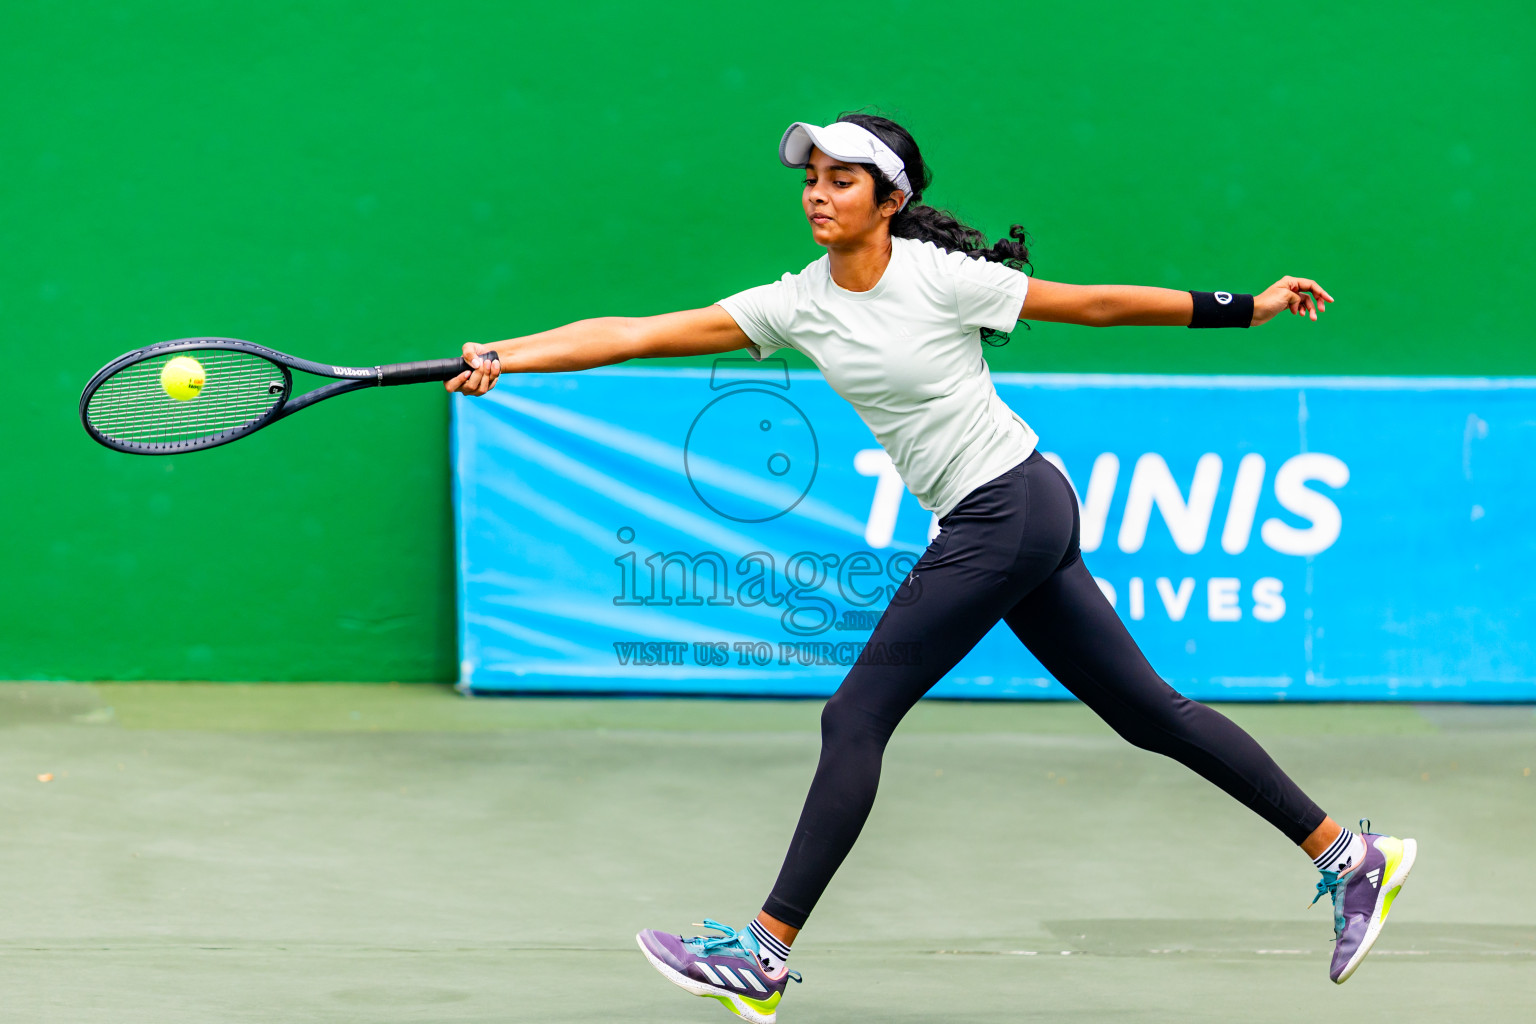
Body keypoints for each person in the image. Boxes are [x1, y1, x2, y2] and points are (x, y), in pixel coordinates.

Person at [446, 113, 1416, 1023]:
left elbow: (1098, 305)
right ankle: (1349, 852)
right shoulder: (798, 303)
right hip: (1004, 510)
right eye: (811, 181)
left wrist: (1244, 308)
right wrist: (508, 355)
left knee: (855, 712)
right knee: (1147, 712)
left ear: (890, 198)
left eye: (842, 180)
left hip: (1010, 504)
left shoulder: (939, 276)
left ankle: (764, 952)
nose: (818, 195)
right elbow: (637, 331)